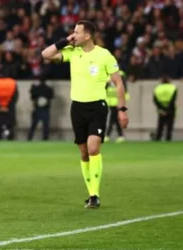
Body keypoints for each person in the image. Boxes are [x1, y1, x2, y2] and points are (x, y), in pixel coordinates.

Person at [41, 20, 128, 208]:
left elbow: (118, 83)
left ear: (87, 35)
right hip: (77, 107)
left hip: (97, 106)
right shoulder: (73, 53)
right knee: (83, 152)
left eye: (76, 32)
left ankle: (95, 194)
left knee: (93, 148)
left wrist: (122, 110)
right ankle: (91, 194)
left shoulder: (104, 55)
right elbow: (46, 54)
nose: (73, 35)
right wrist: (65, 40)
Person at [0, 69, 18, 140]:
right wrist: (7, 106)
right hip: (9, 109)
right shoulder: (12, 82)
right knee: (10, 126)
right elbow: (15, 96)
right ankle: (10, 138)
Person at [104, 70, 130, 143]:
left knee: (113, 118)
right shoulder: (108, 76)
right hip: (111, 101)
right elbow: (104, 89)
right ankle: (120, 135)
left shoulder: (120, 74)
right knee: (114, 118)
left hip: (118, 101)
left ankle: (109, 135)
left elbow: (124, 87)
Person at [27, 74, 54, 141]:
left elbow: (32, 97)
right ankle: (45, 138)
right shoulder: (48, 89)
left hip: (37, 109)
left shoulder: (36, 88)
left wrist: (32, 88)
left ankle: (30, 138)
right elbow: (51, 97)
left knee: (33, 125)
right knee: (46, 126)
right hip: (45, 109)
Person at [153, 75, 177, 141]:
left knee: (160, 124)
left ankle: (158, 137)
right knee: (170, 125)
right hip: (171, 109)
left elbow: (155, 100)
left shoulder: (157, 88)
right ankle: (168, 138)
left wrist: (161, 108)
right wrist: (168, 109)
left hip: (161, 109)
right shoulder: (173, 88)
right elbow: (173, 99)